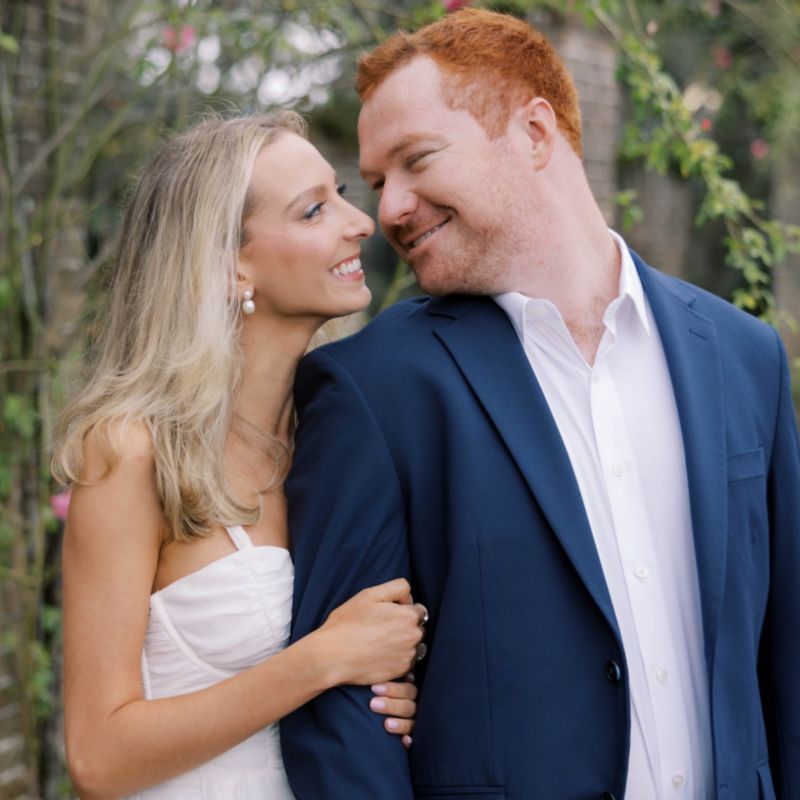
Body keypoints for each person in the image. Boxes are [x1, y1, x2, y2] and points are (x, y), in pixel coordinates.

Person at [280, 8, 800, 799]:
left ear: (533, 132)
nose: (389, 211)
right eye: (380, 182)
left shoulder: (744, 356)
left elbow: (785, 653)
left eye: (416, 160)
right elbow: (341, 719)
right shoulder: (373, 389)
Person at [53, 112, 428, 800]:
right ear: (231, 267)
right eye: (314, 209)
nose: (360, 223)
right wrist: (321, 661)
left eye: (341, 194)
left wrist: (383, 693)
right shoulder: (135, 453)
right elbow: (97, 758)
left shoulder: (334, 439)